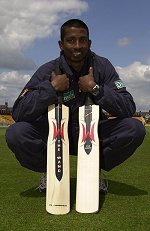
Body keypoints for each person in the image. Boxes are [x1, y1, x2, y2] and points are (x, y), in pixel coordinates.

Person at [6, 19, 146, 193]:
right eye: (71, 40)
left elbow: (128, 107)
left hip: (92, 133)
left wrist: (96, 89)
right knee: (16, 133)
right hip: (54, 134)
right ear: (61, 44)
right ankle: (49, 170)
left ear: (89, 42)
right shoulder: (47, 70)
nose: (77, 46)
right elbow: (19, 112)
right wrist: (51, 88)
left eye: (82, 40)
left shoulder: (103, 66)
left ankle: (93, 169)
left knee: (135, 128)